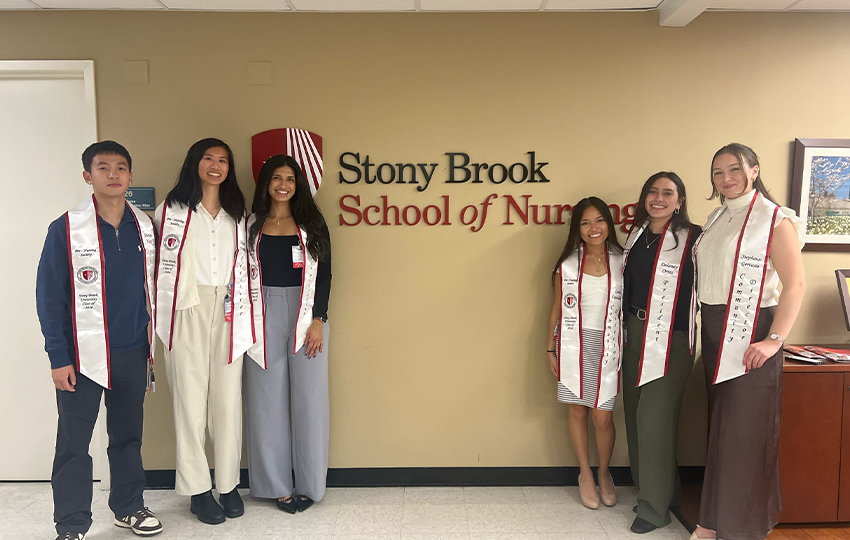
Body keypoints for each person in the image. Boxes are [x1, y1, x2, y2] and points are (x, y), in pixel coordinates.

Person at [36, 141, 163, 540]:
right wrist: (58, 356)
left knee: (127, 437)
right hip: (81, 356)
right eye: (103, 167)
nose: (113, 174)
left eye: (121, 167)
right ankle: (71, 525)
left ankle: (128, 507)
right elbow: (49, 296)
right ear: (88, 176)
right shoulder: (66, 229)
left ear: (130, 176)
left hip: (131, 352)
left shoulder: (145, 227)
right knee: (74, 443)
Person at [692, 143, 806, 540]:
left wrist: (775, 340)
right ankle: (712, 521)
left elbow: (795, 284)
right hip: (714, 329)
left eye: (734, 169)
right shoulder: (716, 217)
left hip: (752, 332)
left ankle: (738, 528)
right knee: (723, 428)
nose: (726, 178)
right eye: (718, 171)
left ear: (754, 171)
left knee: (744, 431)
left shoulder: (775, 220)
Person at [154, 138, 253, 525]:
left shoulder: (237, 212)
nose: (216, 166)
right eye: (208, 159)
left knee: (228, 400)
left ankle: (227, 483)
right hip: (186, 307)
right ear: (195, 163)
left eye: (223, 160)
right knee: (190, 399)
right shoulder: (172, 209)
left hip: (230, 308)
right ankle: (197, 488)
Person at [244, 154, 332, 514]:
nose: (283, 184)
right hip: (261, 313)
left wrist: (319, 319)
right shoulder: (250, 225)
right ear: (266, 182)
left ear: (299, 186)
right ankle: (276, 485)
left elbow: (326, 273)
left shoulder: (312, 223)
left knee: (310, 400)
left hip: (306, 315)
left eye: (290, 179)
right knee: (266, 402)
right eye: (277, 178)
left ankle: (310, 484)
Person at [621, 172, 700, 533]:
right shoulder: (637, 236)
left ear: (680, 201)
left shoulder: (695, 238)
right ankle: (664, 493)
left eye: (668, 193)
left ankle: (653, 510)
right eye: (652, 191)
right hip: (634, 333)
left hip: (672, 338)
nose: (659, 198)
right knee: (637, 413)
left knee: (652, 419)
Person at [547, 197, 624, 510]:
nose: (594, 228)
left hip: (609, 345)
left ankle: (604, 472)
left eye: (600, 220)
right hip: (571, 344)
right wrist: (549, 348)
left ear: (609, 223)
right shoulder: (566, 265)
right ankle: (584, 474)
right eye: (586, 222)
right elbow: (555, 309)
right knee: (577, 410)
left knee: (602, 416)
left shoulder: (623, 259)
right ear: (576, 228)